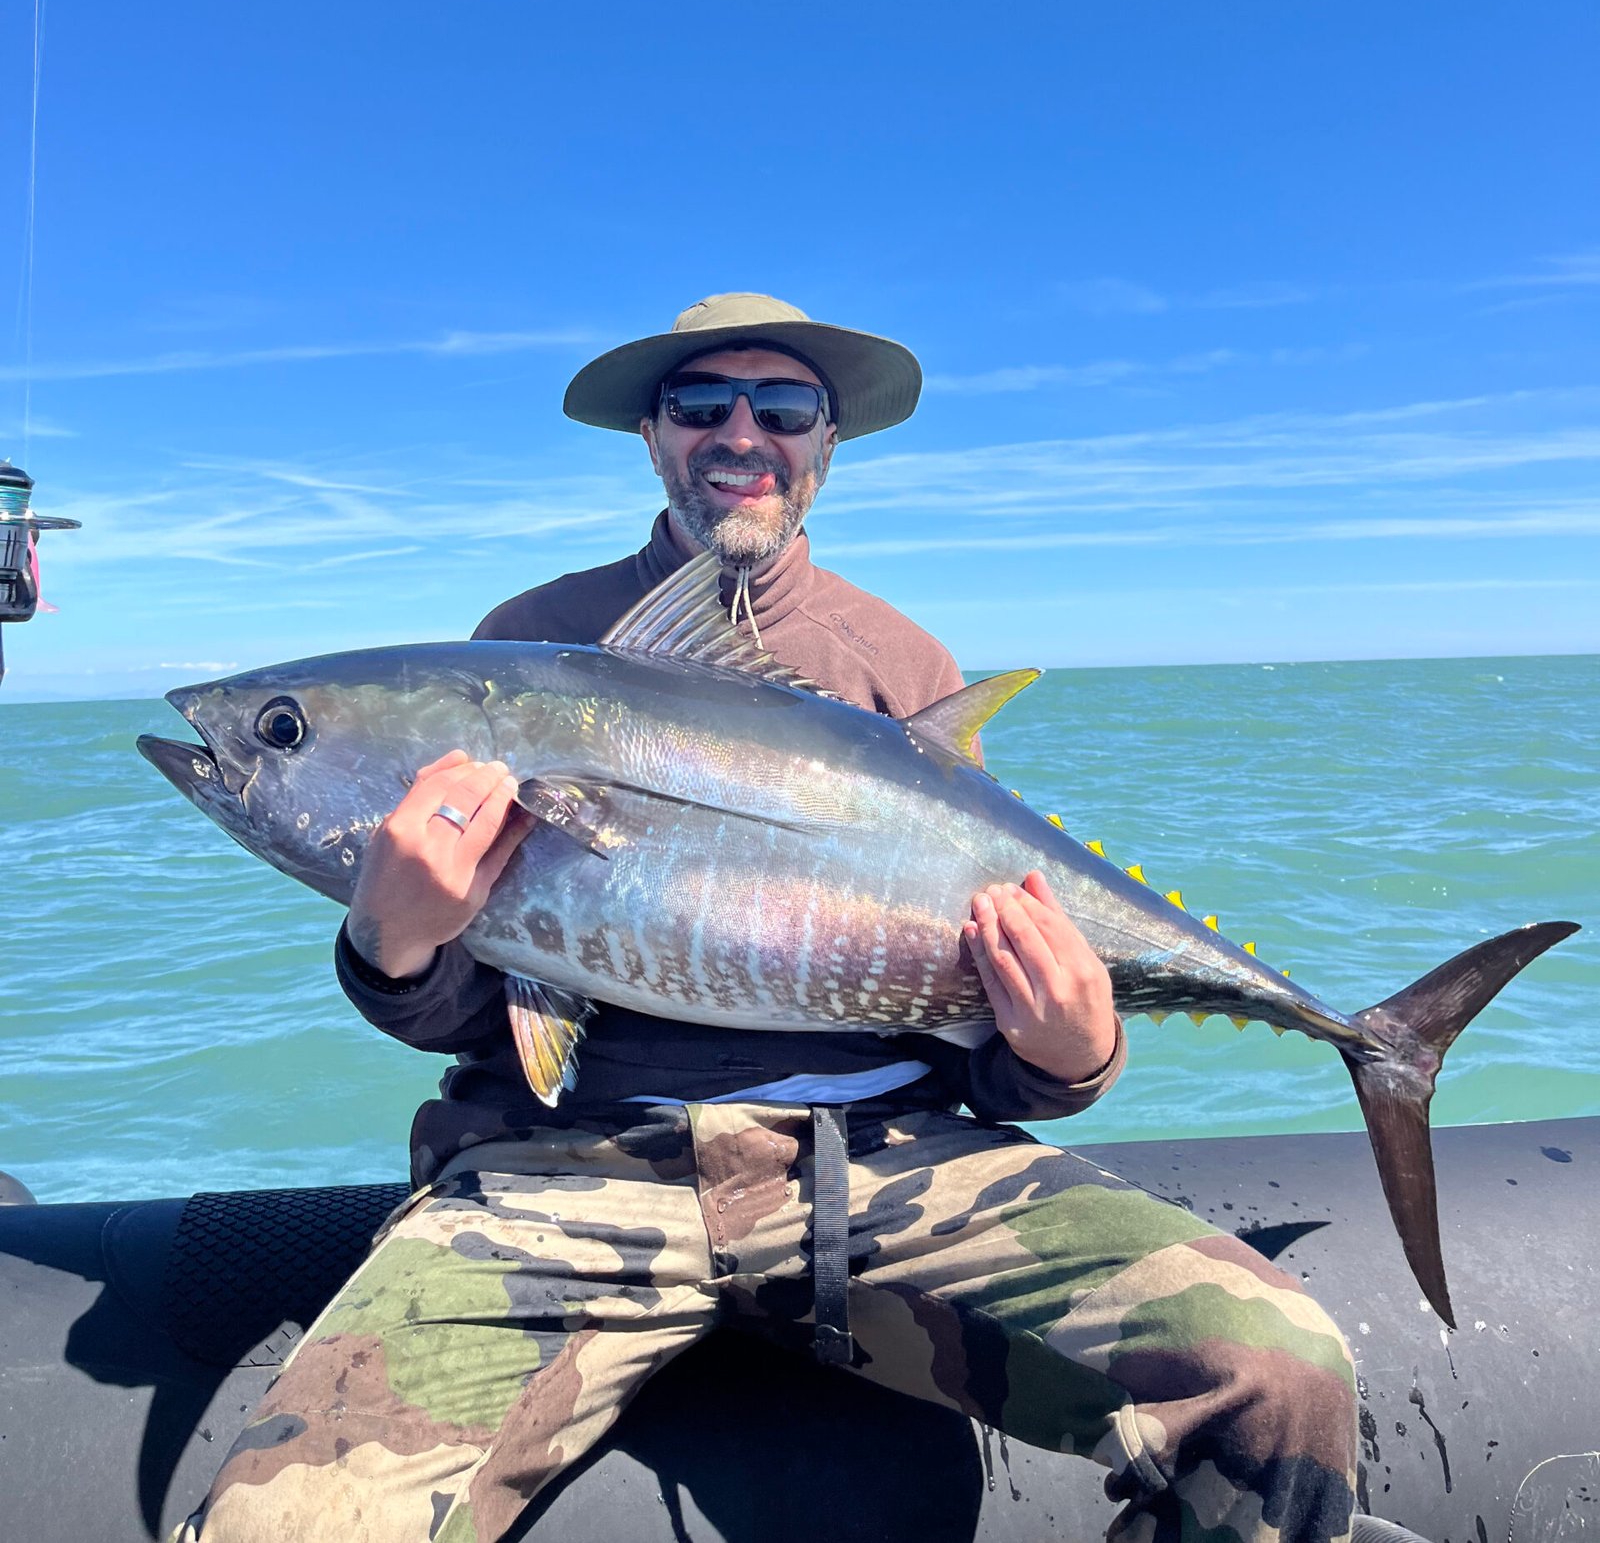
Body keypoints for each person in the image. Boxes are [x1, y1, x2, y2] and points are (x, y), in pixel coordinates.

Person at [178, 294, 1360, 1543]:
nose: (740, 433)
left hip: (891, 1170)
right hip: (566, 1169)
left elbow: (972, 1025)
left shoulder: (894, 658)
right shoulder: (527, 641)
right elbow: (487, 1000)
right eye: (700, 405)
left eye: (781, 406)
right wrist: (394, 942)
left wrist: (1071, 1053)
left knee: (1279, 1373)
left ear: (825, 442)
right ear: (652, 436)